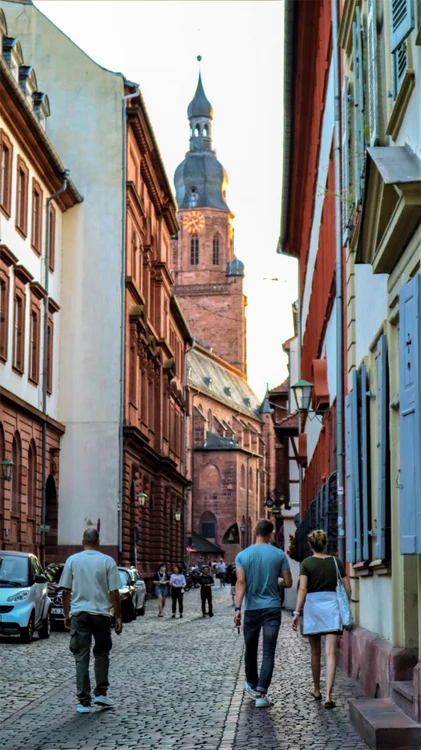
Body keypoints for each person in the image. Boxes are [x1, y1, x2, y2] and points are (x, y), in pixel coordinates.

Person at [60, 527, 122, 714]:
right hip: (101, 614)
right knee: (102, 652)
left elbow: (66, 590)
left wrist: (66, 613)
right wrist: (118, 615)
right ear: (98, 542)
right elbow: (114, 592)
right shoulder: (107, 561)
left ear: (82, 541)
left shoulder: (72, 560)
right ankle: (101, 693)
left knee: (81, 657)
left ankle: (83, 701)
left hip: (79, 613)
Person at [234, 519, 292, 708]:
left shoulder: (242, 556)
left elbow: (241, 583)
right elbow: (289, 582)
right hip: (272, 608)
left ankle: (251, 683)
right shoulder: (279, 554)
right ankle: (261, 693)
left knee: (250, 650)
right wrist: (276, 581)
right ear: (271, 534)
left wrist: (237, 608)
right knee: (268, 652)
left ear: (255, 532)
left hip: (251, 609)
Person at [291, 529, 351, 709]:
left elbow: (302, 589)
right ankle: (328, 695)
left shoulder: (307, 564)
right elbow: (347, 588)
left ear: (310, 545)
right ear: (325, 543)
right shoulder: (336, 562)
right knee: (331, 652)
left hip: (313, 608)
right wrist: (344, 605)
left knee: (315, 652)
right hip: (332, 607)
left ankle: (316, 688)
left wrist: (296, 612)